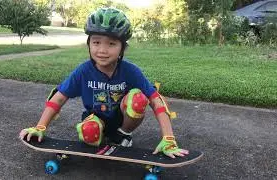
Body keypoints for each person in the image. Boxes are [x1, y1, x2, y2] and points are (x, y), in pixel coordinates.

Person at [19, 7, 188, 158]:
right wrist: (40, 127)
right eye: (96, 42)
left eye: (111, 43)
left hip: (122, 120)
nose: (102, 50)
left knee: (139, 98)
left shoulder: (130, 71)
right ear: (89, 44)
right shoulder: (83, 71)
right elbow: (58, 98)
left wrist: (169, 139)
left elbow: (156, 99)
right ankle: (100, 134)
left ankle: (123, 135)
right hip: (95, 118)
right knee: (89, 133)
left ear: (122, 48)